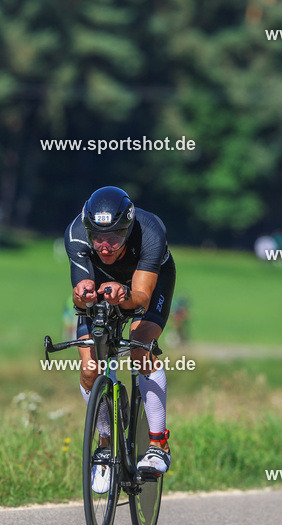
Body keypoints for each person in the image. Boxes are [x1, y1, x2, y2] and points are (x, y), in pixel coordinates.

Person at [64, 186, 176, 494]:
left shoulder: (150, 231)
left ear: (127, 229)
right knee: (90, 370)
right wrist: (82, 294)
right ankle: (104, 446)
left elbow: (141, 297)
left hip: (144, 283)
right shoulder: (75, 234)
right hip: (104, 286)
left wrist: (122, 294)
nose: (104, 245)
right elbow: (81, 293)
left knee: (141, 347)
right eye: (97, 237)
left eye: (113, 236)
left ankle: (157, 444)